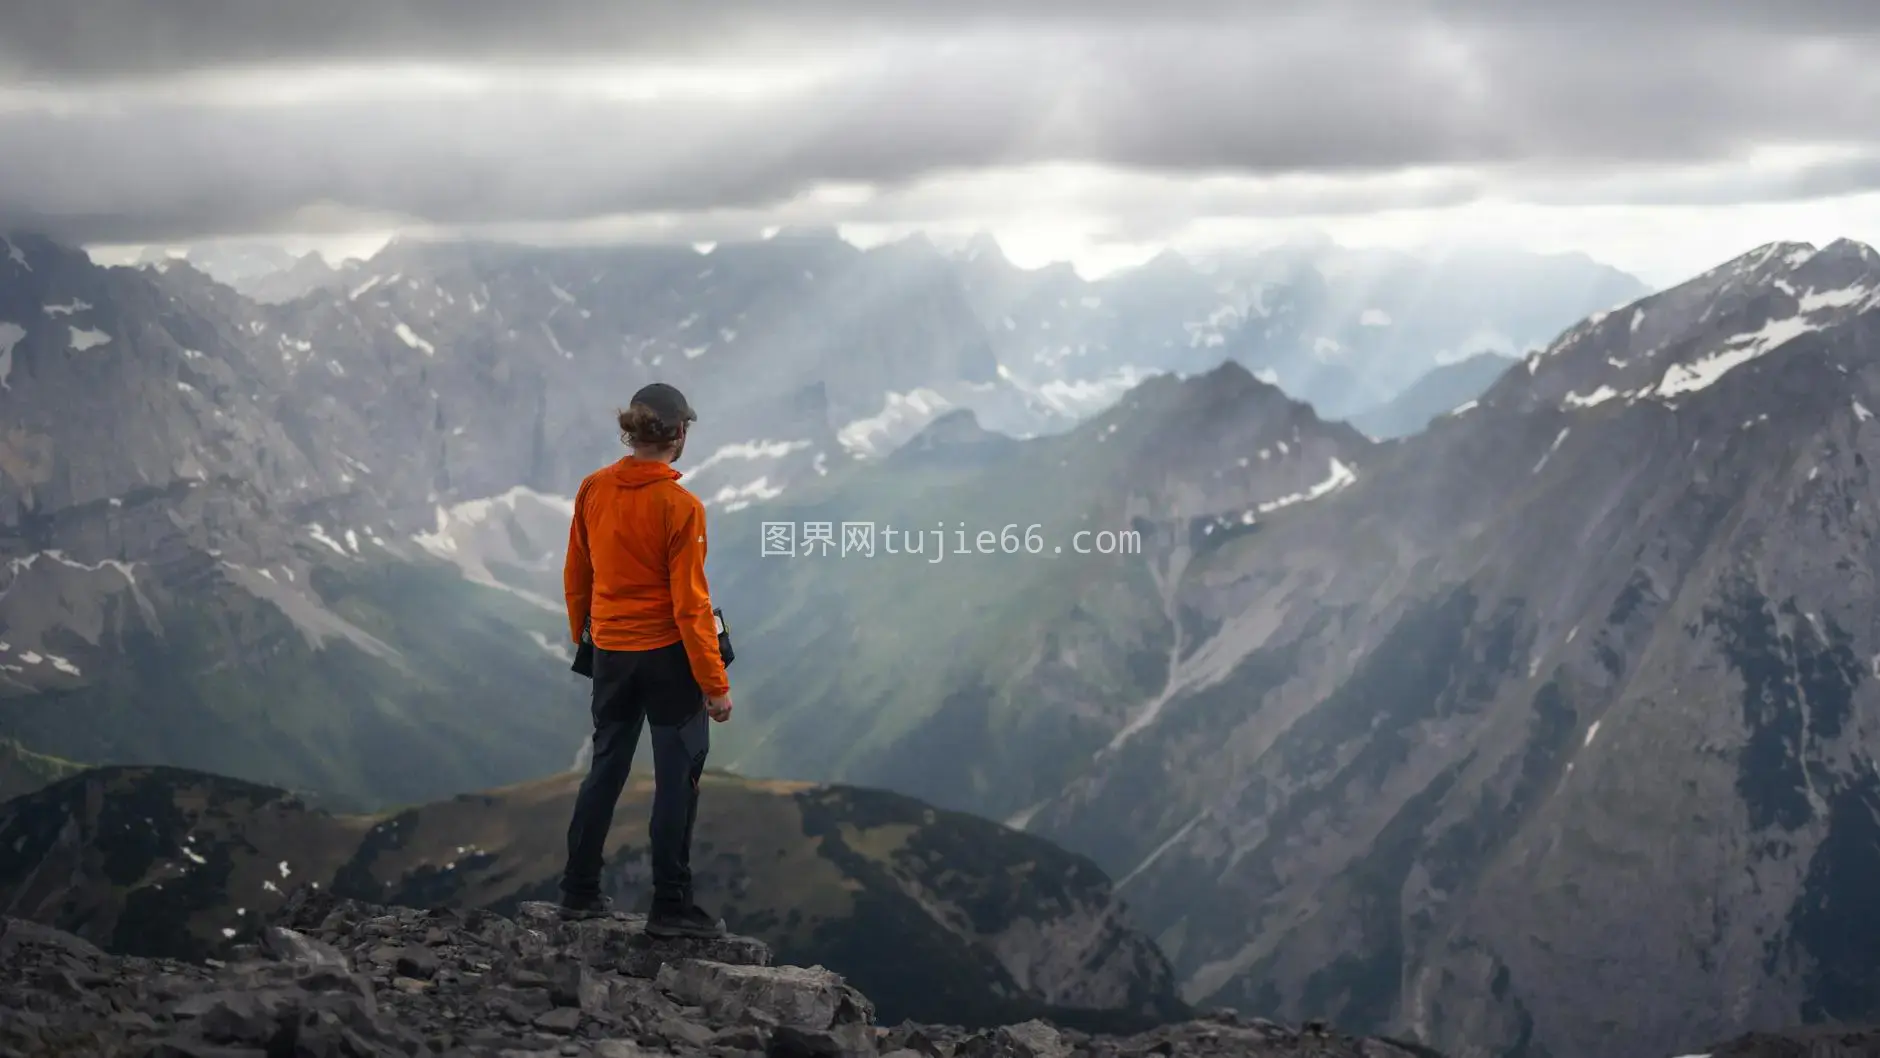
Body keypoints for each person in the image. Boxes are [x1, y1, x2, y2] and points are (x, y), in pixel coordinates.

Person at [557, 381, 733, 936]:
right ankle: (671, 905)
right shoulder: (681, 507)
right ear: (679, 434)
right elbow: (690, 606)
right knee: (675, 777)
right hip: (667, 660)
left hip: (610, 651)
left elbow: (576, 576)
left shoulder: (592, 489)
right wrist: (715, 681)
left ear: (631, 429)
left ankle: (579, 892)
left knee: (605, 768)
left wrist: (589, 636)